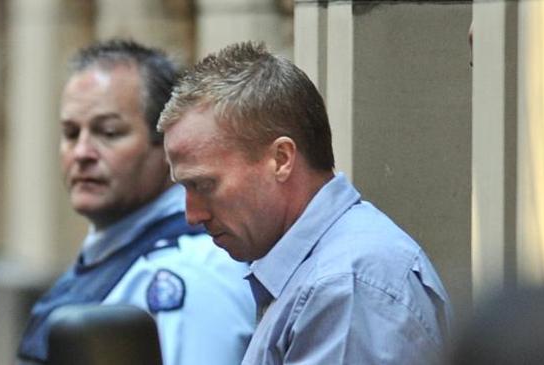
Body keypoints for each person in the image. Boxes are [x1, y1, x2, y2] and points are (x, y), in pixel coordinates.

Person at [159, 41, 453, 364]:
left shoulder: (344, 287)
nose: (192, 214)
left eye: (203, 184)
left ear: (281, 159)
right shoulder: (329, 276)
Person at [17, 39, 254, 365]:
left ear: (167, 145)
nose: (82, 152)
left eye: (109, 132)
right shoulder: (113, 248)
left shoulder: (187, 273)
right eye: (71, 133)